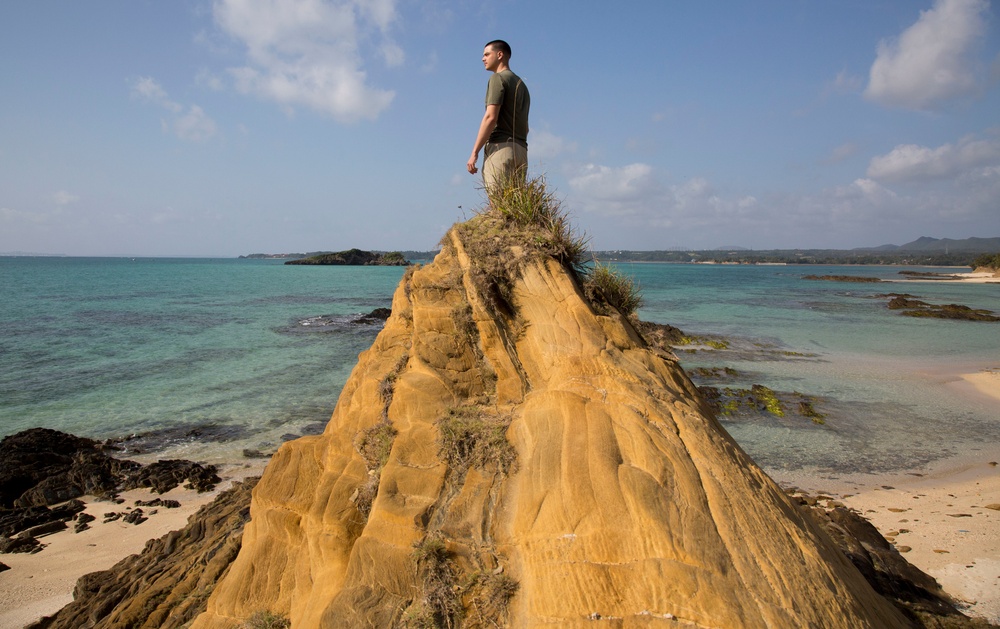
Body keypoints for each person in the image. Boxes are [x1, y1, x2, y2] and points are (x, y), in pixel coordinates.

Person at [466, 40, 530, 190]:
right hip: (521, 151)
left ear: (500, 55)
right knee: (514, 208)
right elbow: (526, 128)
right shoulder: (522, 85)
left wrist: (474, 152)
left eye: (487, 54)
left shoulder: (497, 78)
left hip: (500, 149)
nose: (483, 58)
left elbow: (490, 117)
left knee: (499, 208)